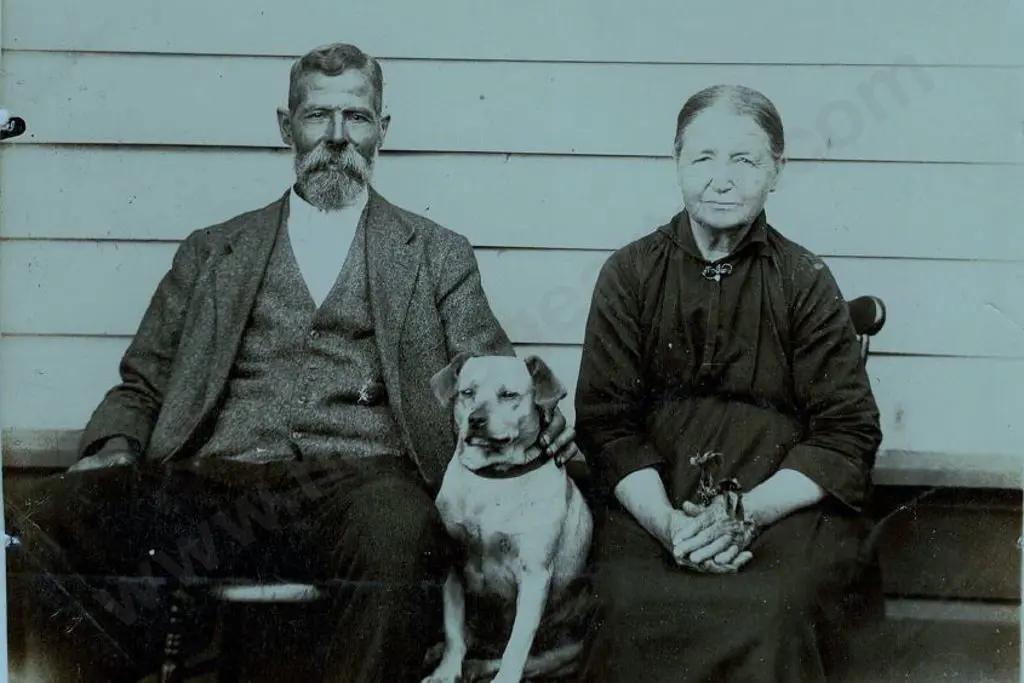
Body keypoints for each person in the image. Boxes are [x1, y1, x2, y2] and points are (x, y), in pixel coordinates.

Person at [3, 43, 577, 683]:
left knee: (404, 531)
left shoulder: (435, 255)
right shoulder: (213, 251)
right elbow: (142, 382)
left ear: (382, 130)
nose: (337, 137)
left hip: (363, 486)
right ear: (286, 127)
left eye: (357, 118)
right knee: (46, 515)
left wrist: (546, 421)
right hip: (217, 480)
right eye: (317, 117)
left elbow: (493, 364)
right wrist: (111, 448)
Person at [572, 85, 883, 682]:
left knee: (777, 608)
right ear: (677, 165)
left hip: (777, 504)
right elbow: (606, 422)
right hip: (654, 500)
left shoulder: (805, 279)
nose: (722, 179)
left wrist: (747, 513)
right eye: (704, 159)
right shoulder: (630, 274)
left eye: (745, 160)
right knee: (630, 604)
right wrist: (669, 524)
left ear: (776, 172)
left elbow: (846, 431)